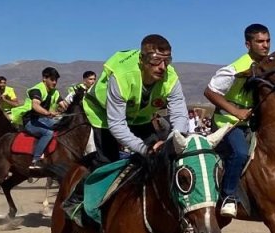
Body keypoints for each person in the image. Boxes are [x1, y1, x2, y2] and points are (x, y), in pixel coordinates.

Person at [65, 34, 190, 217]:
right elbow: (117, 125)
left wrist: (173, 139)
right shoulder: (122, 75)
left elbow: (179, 113)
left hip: (139, 115)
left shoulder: (170, 76)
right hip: (104, 114)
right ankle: (76, 199)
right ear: (142, 59)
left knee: (164, 157)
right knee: (108, 162)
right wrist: (144, 149)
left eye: (167, 61)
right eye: (155, 60)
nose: (162, 67)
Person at [206, 24, 272, 216]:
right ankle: (228, 195)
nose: (265, 45)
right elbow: (209, 92)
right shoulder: (234, 69)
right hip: (228, 122)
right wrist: (236, 111)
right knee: (240, 153)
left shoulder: (270, 65)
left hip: (253, 122)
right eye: (260, 41)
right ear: (247, 44)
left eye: (267, 41)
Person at [19, 67, 62, 168]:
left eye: (56, 80)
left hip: (43, 120)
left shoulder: (54, 91)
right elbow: (35, 106)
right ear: (44, 78)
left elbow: (64, 104)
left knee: (62, 125)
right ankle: (36, 159)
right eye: (52, 79)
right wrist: (48, 113)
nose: (55, 82)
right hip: (30, 121)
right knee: (48, 133)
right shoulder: (37, 90)